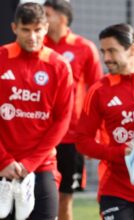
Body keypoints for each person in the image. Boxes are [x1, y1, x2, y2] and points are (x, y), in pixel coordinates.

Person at [75, 23, 134, 220]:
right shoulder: (99, 90)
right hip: (114, 189)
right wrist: (117, 153)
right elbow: (82, 140)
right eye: (104, 51)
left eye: (112, 51)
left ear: (132, 49)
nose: (106, 58)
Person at [0, 2, 73, 220]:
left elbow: (62, 120)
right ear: (14, 28)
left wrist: (30, 163)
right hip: (3, 164)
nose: (33, 36)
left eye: (38, 29)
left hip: (41, 166)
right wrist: (3, 161)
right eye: (26, 30)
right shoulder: (1, 59)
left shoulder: (58, 65)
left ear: (46, 27)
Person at [42, 1, 104, 219]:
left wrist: (93, 135)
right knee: (34, 192)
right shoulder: (38, 45)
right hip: (40, 134)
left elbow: (97, 92)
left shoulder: (84, 47)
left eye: (47, 14)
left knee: (65, 195)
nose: (43, 18)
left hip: (72, 135)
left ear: (62, 18)